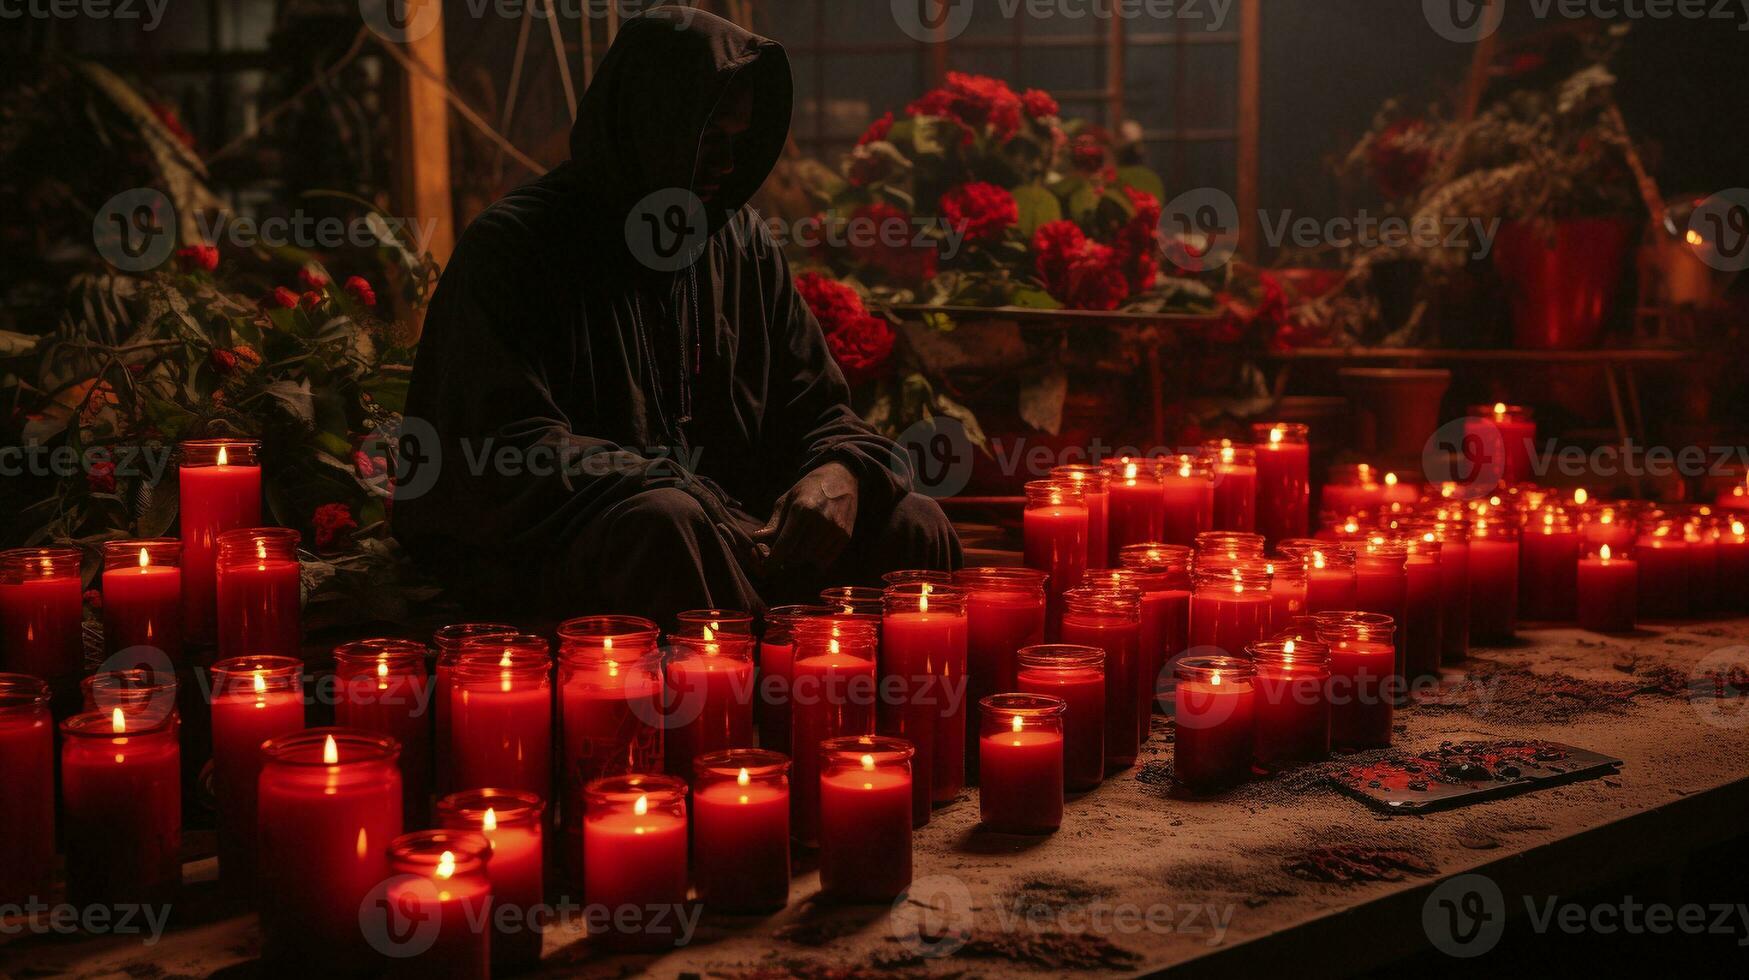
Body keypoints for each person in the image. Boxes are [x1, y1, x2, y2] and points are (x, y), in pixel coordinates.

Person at [393, 8, 959, 627]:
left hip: (741, 536)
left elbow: (820, 411)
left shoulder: (738, 242)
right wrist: (687, 494)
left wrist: (841, 468)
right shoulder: (516, 248)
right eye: (706, 141)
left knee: (911, 524)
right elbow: (505, 452)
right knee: (665, 524)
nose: (724, 166)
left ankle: (893, 707)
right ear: (648, 125)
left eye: (741, 143)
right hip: (581, 551)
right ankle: (760, 699)